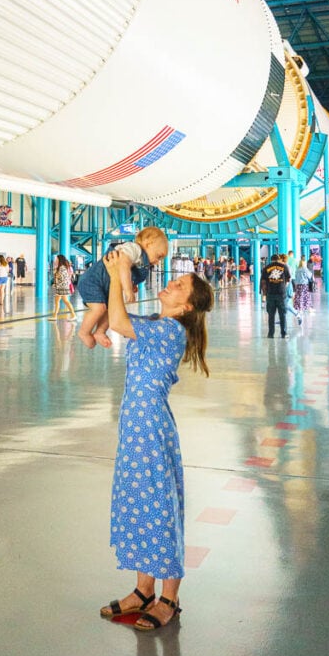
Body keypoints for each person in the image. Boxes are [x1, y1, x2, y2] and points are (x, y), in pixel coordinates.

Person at [99, 250, 214, 631]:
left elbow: (116, 319)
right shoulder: (153, 323)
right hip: (134, 426)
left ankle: (169, 597)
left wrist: (118, 273)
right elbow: (115, 316)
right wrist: (122, 276)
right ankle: (142, 591)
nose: (172, 283)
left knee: (160, 508)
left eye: (179, 286)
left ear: (186, 307)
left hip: (149, 426)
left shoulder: (169, 330)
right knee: (137, 504)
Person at [77, 227, 169, 349]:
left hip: (106, 287)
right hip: (93, 281)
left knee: (111, 309)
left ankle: (100, 331)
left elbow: (128, 273)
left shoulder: (141, 261)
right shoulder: (134, 248)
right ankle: (84, 332)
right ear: (148, 243)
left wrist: (131, 284)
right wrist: (127, 289)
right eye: (159, 256)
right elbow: (123, 264)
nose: (157, 262)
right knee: (99, 309)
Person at [262, 253, 291, 338]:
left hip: (270, 294)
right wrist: (283, 286)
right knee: (283, 315)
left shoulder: (266, 268)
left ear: (271, 260)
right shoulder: (284, 267)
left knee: (271, 315)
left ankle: (271, 334)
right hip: (281, 294)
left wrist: (265, 294)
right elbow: (288, 279)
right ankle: (284, 333)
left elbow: (263, 282)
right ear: (278, 259)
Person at [49, 254, 77, 321]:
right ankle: (55, 316)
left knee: (65, 301)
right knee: (57, 301)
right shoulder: (60, 267)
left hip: (62, 287)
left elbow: (63, 278)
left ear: (59, 260)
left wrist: (56, 284)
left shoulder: (62, 268)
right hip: (61, 287)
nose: (55, 260)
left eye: (57, 259)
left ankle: (73, 315)